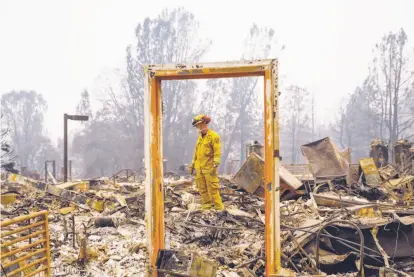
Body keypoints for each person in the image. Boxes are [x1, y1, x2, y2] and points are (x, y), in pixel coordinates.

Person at [189, 114, 224, 211]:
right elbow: (196, 153)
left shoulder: (214, 136)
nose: (197, 127)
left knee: (213, 188)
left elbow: (217, 152)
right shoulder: (200, 138)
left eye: (198, 125)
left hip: (209, 168)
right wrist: (192, 165)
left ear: (204, 124)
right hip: (199, 168)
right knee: (202, 188)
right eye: (196, 126)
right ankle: (207, 205)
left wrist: (216, 163)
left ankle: (219, 207)